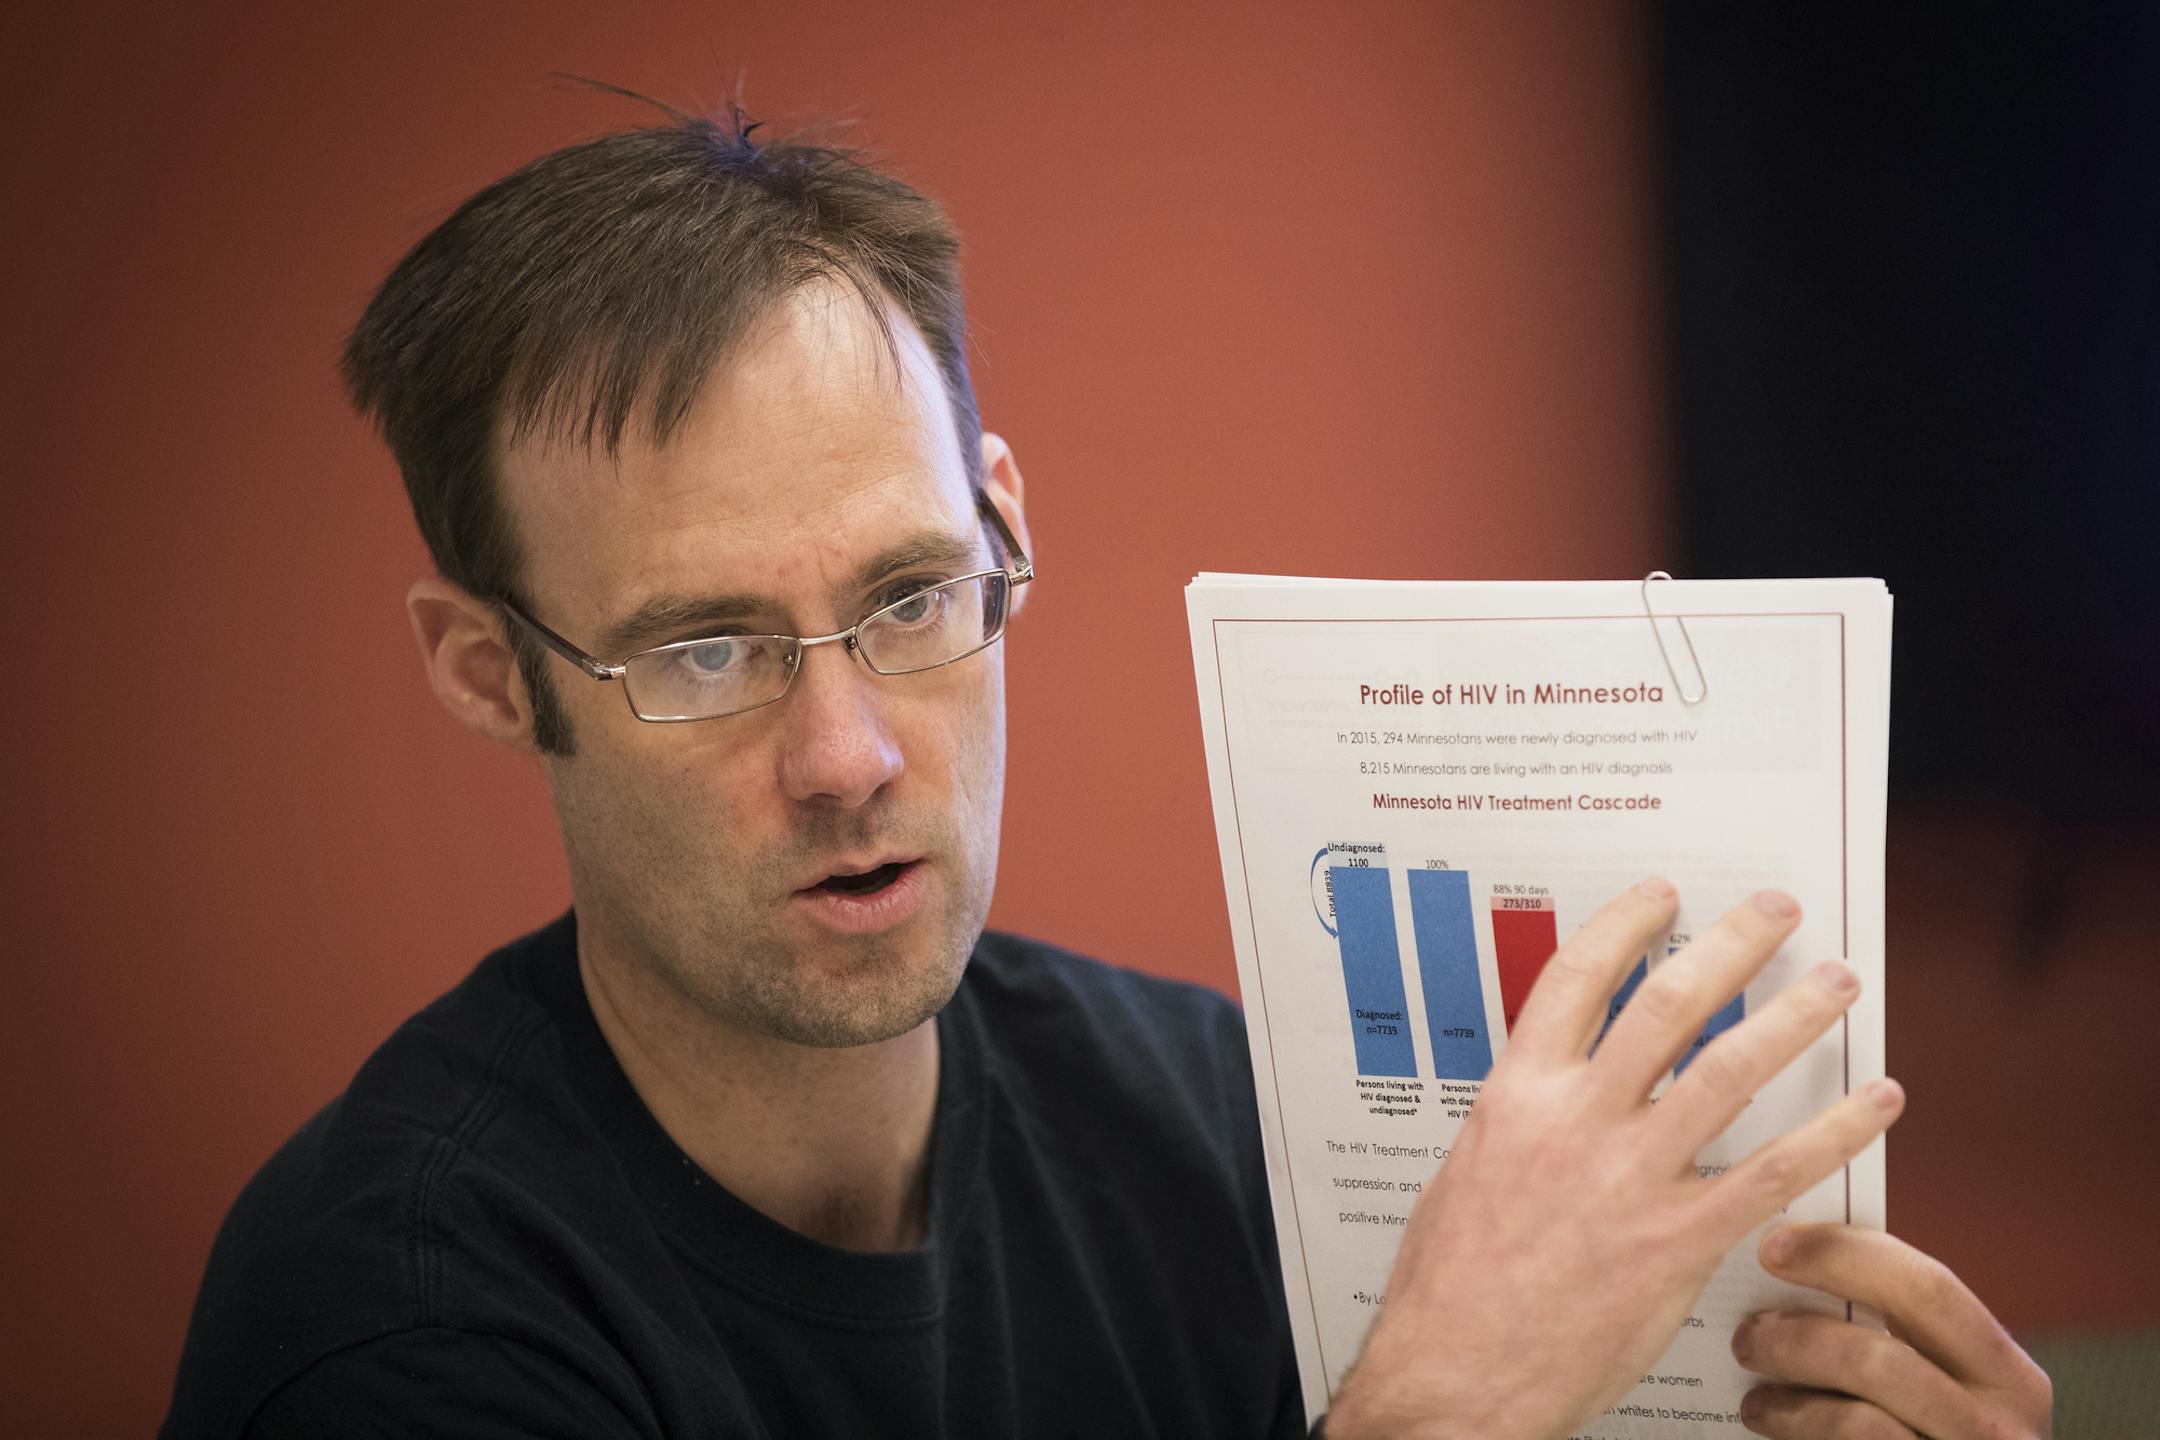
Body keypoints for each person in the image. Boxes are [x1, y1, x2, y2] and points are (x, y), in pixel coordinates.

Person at [163, 106, 2052, 1440]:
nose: (848, 755)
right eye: (704, 651)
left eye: (912, 597)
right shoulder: (394, 1327)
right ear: (489, 672)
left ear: (1002, 524)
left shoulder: (1219, 1124)